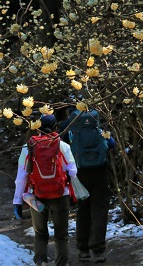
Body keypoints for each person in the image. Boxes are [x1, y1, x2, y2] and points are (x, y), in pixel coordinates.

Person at [13, 115, 78, 266]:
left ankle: (41, 262)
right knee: (61, 235)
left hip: (37, 195)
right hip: (60, 195)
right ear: (56, 127)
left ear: (38, 127)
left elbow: (21, 176)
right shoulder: (63, 146)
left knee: (40, 233)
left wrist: (17, 201)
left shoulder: (28, 147)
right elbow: (73, 172)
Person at [59, 107, 117, 263]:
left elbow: (62, 146)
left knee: (83, 210)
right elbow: (112, 144)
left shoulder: (71, 128)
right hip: (100, 173)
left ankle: (83, 250)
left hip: (80, 173)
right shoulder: (98, 128)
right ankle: (98, 250)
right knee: (99, 211)